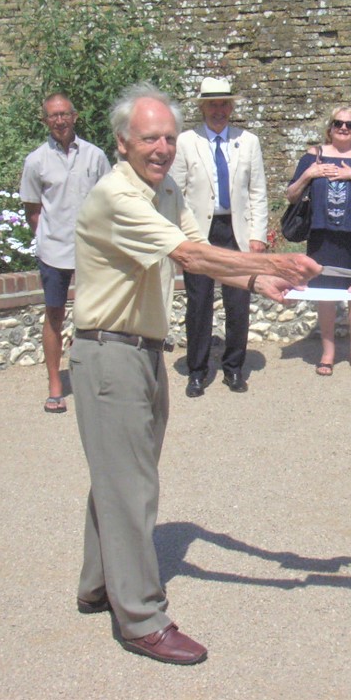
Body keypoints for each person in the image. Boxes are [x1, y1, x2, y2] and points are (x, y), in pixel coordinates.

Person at [70, 82, 319, 665]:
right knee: (131, 483)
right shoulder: (117, 196)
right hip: (109, 352)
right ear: (123, 141)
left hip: (141, 349)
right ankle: (141, 618)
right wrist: (271, 261)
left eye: (166, 137)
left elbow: (196, 243)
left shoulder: (165, 188)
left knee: (119, 472)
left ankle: (98, 584)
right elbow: (191, 259)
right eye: (148, 137)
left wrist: (258, 281)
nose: (160, 147)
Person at [170, 77, 269, 397]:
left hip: (236, 232)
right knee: (198, 303)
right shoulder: (186, 142)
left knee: (238, 302)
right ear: (202, 107)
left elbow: (258, 192)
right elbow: (176, 193)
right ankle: (197, 371)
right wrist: (181, 239)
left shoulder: (248, 141)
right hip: (198, 232)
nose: (219, 110)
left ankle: (234, 368)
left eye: (224, 103)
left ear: (232, 107)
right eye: (212, 104)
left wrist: (258, 237)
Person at [20, 93, 110, 414]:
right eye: (52, 116)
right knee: (54, 315)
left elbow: (108, 201)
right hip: (53, 250)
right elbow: (33, 209)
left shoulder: (95, 156)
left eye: (64, 114)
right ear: (45, 121)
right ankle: (55, 385)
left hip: (91, 249)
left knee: (95, 316)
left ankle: (94, 379)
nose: (59, 120)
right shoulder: (36, 161)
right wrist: (46, 238)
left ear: (75, 116)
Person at [284, 106, 351, 376]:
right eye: (338, 123)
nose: (343, 128)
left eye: (349, 125)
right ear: (329, 127)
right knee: (325, 295)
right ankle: (327, 351)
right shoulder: (313, 156)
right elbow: (291, 194)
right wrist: (310, 174)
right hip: (322, 234)